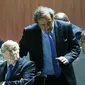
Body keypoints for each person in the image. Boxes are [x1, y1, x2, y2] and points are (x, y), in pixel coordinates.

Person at [19, 6, 80, 85]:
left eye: (49, 23)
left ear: (53, 18)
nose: (47, 27)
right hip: (42, 78)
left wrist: (67, 57)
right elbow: (20, 52)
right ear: (37, 23)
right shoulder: (30, 32)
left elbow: (75, 48)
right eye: (43, 25)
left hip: (64, 77)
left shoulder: (65, 27)